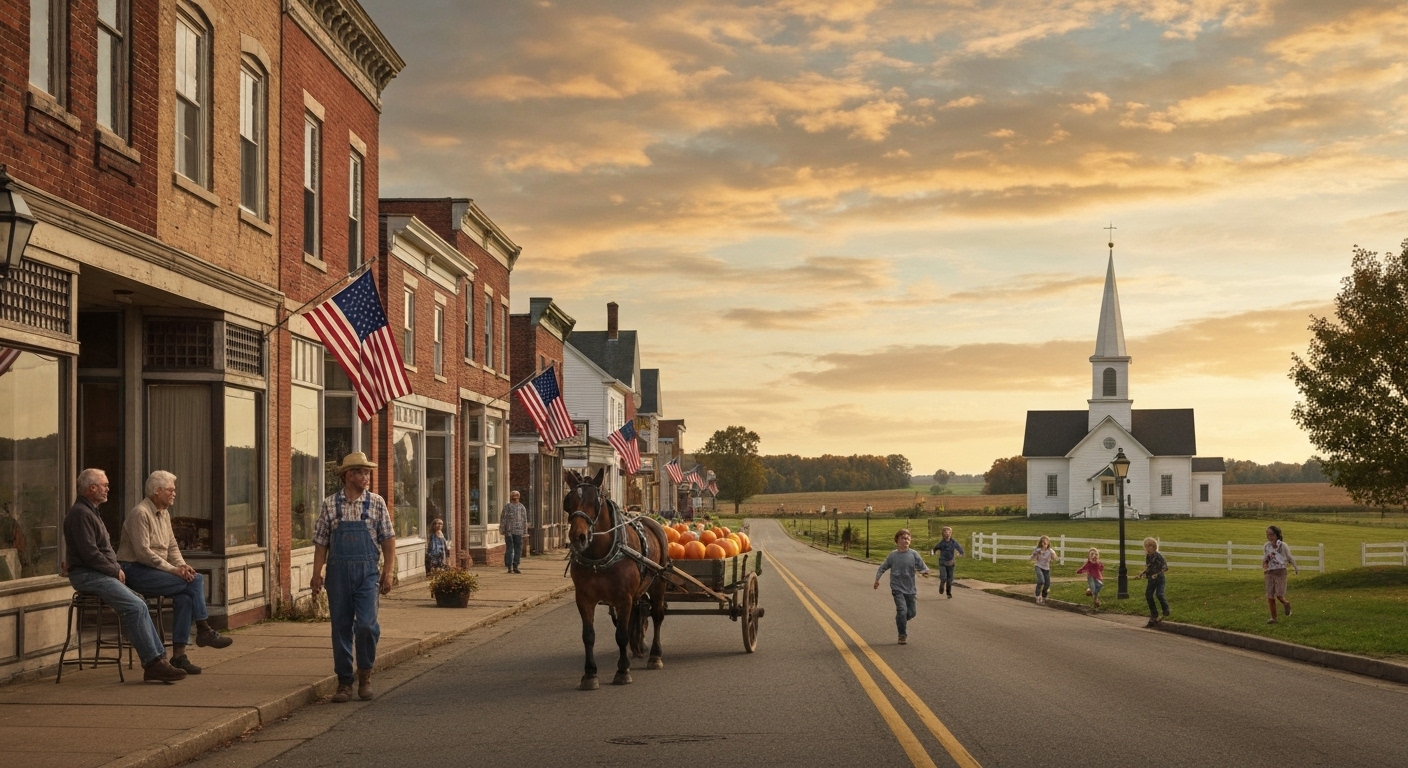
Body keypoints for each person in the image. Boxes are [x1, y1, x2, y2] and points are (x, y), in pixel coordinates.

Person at [63, 469, 186, 683]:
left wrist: (113, 568)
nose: (108, 488)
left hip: (98, 573)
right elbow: (90, 553)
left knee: (139, 602)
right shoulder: (81, 514)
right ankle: (153, 663)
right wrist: (114, 569)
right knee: (135, 606)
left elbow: (97, 552)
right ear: (92, 488)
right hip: (88, 575)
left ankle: (160, 661)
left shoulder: (90, 512)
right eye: (104, 485)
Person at [117, 471, 233, 674]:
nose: (174, 494)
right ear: (157, 490)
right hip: (134, 570)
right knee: (194, 581)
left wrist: (182, 566)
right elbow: (143, 553)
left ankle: (179, 657)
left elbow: (172, 547)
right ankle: (204, 629)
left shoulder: (164, 513)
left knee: (186, 595)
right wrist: (173, 570)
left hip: (155, 569)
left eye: (174, 490)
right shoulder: (140, 513)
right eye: (170, 490)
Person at [310, 453, 396, 703]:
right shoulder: (330, 504)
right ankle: (344, 682)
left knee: (367, 625)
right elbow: (321, 543)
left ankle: (365, 675)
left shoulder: (376, 503)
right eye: (360, 472)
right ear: (347, 476)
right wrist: (317, 574)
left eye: (367, 472)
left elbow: (388, 539)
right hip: (338, 574)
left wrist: (387, 572)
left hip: (368, 572)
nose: (365, 477)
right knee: (341, 627)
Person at [873, 529, 929, 645]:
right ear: (897, 540)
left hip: (910, 589)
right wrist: (877, 579)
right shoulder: (893, 556)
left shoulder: (914, 554)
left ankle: (900, 620)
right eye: (903, 538)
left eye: (908, 538)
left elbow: (923, 566)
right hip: (897, 588)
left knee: (912, 613)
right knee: (902, 610)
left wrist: (924, 571)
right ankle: (902, 635)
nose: (906, 540)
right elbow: (882, 567)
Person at [1262, 525, 1299, 624]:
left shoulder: (1283, 545)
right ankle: (1274, 618)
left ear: (1277, 535)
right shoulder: (1266, 546)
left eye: (1272, 534)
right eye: (1268, 534)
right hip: (1269, 572)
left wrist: (1295, 567)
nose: (1270, 537)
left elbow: (1289, 557)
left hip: (1280, 571)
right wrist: (1264, 564)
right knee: (1270, 596)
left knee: (1279, 594)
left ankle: (1286, 603)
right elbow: (1265, 557)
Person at [1134, 537, 1170, 627]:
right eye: (1145, 547)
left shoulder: (1159, 556)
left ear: (1153, 547)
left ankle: (1166, 609)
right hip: (1151, 579)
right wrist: (1141, 574)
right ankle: (1154, 615)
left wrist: (1157, 574)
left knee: (1159, 594)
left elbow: (1165, 567)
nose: (1146, 549)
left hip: (1159, 579)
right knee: (1148, 595)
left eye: (1148, 547)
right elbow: (1148, 567)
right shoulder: (1148, 556)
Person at [928, 526, 964, 599]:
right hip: (943, 562)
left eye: (949, 532)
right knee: (944, 577)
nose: (947, 534)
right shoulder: (941, 543)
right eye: (945, 532)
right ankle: (941, 585)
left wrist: (961, 553)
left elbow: (959, 548)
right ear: (943, 534)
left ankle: (948, 593)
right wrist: (932, 552)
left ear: (951, 534)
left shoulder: (953, 542)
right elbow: (935, 549)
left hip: (951, 562)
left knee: (950, 579)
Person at [500, 490, 527, 574]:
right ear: (511, 497)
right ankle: (509, 566)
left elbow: (524, 520)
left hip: (519, 531)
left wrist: (525, 531)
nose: (515, 498)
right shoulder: (507, 507)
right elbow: (503, 519)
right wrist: (502, 529)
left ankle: (515, 565)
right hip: (509, 531)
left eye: (516, 496)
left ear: (519, 497)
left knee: (518, 549)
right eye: (513, 496)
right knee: (510, 549)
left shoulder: (522, 507)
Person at [1029, 535, 1056, 604]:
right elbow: (1031, 557)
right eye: (1042, 543)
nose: (1044, 544)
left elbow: (1055, 558)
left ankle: (1044, 597)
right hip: (1038, 566)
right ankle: (1037, 596)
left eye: (1045, 543)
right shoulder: (1038, 550)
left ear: (1048, 543)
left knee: (1047, 584)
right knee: (1041, 581)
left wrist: (1053, 555)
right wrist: (1035, 554)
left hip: (1046, 569)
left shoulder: (1050, 551)